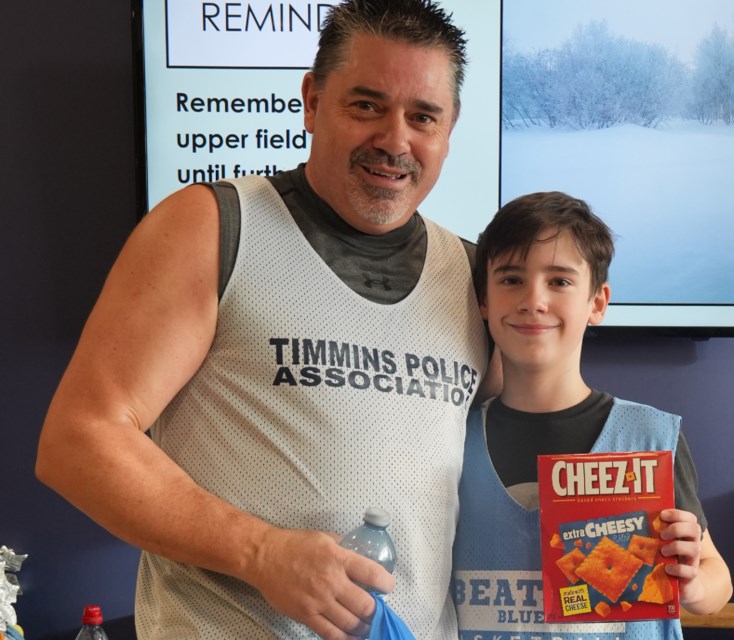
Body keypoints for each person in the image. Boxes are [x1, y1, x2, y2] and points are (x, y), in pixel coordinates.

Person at [35, 1, 496, 638]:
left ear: (450, 129)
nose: (395, 140)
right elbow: (78, 441)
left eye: (422, 117)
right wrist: (260, 553)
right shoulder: (210, 226)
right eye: (366, 106)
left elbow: (526, 463)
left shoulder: (474, 279)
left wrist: (673, 553)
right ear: (311, 100)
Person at [452, 192, 733, 638]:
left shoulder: (648, 436)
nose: (533, 300)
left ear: (597, 303)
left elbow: (718, 577)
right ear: (483, 300)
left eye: (559, 281)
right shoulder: (452, 437)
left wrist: (694, 583)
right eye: (510, 280)